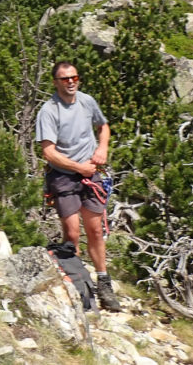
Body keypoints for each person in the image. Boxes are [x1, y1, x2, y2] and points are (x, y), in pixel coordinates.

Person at [36, 61, 122, 311]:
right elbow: (48, 152)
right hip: (64, 175)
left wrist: (102, 148)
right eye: (64, 79)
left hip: (89, 172)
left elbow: (103, 126)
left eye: (74, 77)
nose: (71, 82)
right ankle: (77, 284)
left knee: (95, 231)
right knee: (72, 233)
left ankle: (103, 284)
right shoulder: (49, 111)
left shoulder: (86, 101)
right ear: (55, 83)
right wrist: (79, 167)